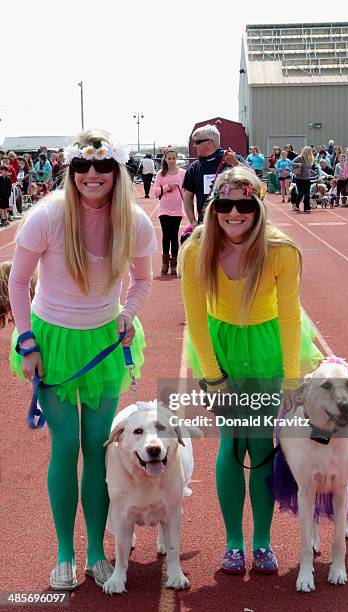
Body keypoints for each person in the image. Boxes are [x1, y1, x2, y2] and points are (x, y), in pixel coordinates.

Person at [8, 129, 157, 591]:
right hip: (52, 342)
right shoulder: (47, 217)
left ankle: (96, 551)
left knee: (98, 450)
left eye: (102, 167)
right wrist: (27, 343)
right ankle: (64, 554)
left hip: (102, 345)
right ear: (72, 172)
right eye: (83, 168)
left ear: (115, 172)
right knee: (65, 446)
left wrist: (127, 316)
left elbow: (142, 282)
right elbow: (17, 283)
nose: (92, 176)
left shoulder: (134, 222)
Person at [180, 165, 322, 575]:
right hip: (219, 348)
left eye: (245, 205)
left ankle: (262, 542)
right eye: (225, 205)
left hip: (266, 349)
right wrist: (212, 376)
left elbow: (291, 318)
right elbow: (195, 318)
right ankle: (233, 543)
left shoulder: (281, 251)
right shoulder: (195, 250)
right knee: (230, 442)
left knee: (260, 446)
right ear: (214, 208)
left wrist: (293, 380)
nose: (234, 213)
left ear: (259, 207)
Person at [183, 124, 248, 227]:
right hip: (206, 225)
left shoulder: (232, 159)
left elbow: (254, 178)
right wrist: (193, 221)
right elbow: (187, 196)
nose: (195, 145)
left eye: (198, 142)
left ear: (210, 142)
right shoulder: (194, 168)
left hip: (233, 224)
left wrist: (235, 164)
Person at [153, 148, 185, 275]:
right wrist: (166, 187)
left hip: (177, 209)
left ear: (177, 159)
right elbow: (155, 191)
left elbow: (185, 192)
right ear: (165, 159)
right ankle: (165, 263)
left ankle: (174, 264)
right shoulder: (161, 173)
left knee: (174, 236)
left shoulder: (183, 173)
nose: (171, 161)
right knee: (166, 235)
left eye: (174, 158)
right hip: (164, 209)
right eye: (169, 158)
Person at [291, 146, 314, 212]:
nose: (310, 153)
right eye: (309, 151)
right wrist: (298, 164)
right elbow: (291, 163)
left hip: (307, 178)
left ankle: (306, 207)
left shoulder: (310, 158)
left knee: (307, 194)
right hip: (299, 178)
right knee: (300, 193)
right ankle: (297, 205)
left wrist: (313, 172)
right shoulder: (300, 158)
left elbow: (308, 168)